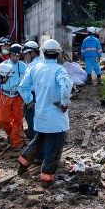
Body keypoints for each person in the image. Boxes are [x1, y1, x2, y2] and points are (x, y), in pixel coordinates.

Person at [17, 39, 72, 184]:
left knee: (38, 140)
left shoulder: (35, 68)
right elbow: (66, 87)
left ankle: (22, 163)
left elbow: (22, 87)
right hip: (55, 117)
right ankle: (47, 177)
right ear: (58, 53)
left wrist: (30, 100)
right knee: (54, 147)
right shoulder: (59, 69)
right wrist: (64, 104)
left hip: (40, 114)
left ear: (43, 52)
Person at [0, 44, 27, 149]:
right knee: (2, 119)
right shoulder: (3, 65)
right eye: (14, 55)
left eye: (18, 55)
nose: (16, 57)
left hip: (18, 96)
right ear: (10, 55)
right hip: (5, 95)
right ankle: (11, 135)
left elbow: (27, 82)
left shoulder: (24, 66)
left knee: (17, 120)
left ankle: (16, 142)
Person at [21, 40, 42, 141]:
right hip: (43, 96)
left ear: (33, 53)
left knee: (33, 124)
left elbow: (22, 87)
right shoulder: (44, 63)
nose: (24, 56)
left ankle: (37, 152)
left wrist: (29, 101)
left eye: (26, 54)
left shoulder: (31, 66)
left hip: (33, 97)